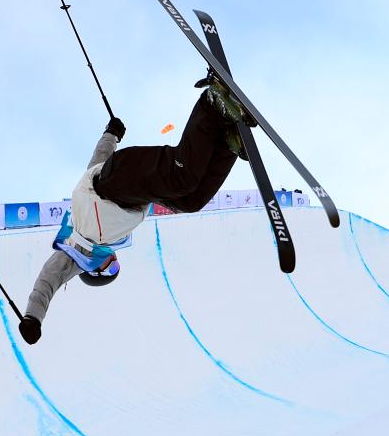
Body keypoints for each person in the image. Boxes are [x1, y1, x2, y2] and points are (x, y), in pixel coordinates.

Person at [18, 75, 252, 344]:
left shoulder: (78, 251)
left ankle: (210, 104)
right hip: (134, 193)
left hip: (117, 180)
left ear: (95, 270)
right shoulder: (107, 240)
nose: (114, 260)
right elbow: (97, 162)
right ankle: (227, 143)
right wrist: (112, 135)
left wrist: (33, 317)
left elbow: (47, 282)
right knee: (191, 201)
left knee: (182, 177)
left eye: (111, 267)